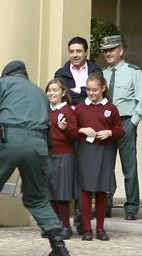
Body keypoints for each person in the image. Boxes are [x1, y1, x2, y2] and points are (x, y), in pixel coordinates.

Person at [0, 60, 69, 256]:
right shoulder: (40, 92)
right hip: (38, 144)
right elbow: (49, 126)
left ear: (7, 75)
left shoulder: (2, 84)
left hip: (8, 140)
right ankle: (58, 243)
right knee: (37, 196)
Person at [101, 35, 142, 220]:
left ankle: (131, 207)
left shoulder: (133, 72)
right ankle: (105, 205)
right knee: (106, 167)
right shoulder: (102, 74)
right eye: (105, 50)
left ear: (121, 51)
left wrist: (132, 124)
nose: (108, 53)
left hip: (125, 122)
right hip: (106, 125)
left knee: (129, 168)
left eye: (112, 49)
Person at [75, 73, 124, 241]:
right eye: (88, 90)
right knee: (86, 191)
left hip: (105, 151)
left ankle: (101, 228)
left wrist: (110, 132)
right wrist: (81, 130)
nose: (91, 93)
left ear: (103, 88)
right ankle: (87, 229)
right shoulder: (81, 108)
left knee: (102, 190)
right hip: (86, 152)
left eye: (94, 90)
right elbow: (72, 129)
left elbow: (120, 131)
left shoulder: (111, 109)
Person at [45, 78, 78, 239]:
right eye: (49, 90)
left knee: (62, 193)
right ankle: (54, 225)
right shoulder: (46, 111)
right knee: (50, 192)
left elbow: (75, 135)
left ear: (63, 93)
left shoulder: (68, 111)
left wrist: (66, 129)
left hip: (64, 154)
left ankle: (66, 225)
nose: (52, 93)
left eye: (55, 90)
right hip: (49, 155)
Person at [54, 37, 102, 105]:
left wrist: (79, 90)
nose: (74, 55)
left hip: (91, 113)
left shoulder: (96, 71)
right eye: (71, 52)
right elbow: (64, 95)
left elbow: (98, 92)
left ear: (86, 53)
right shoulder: (60, 74)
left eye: (78, 51)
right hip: (68, 113)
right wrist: (87, 100)